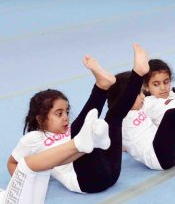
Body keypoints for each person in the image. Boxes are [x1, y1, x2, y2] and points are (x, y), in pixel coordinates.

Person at [8, 51, 145, 194]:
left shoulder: (69, 130)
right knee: (81, 129)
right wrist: (24, 187)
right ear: (40, 119)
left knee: (114, 117)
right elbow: (12, 162)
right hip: (87, 182)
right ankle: (101, 87)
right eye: (59, 113)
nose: (65, 117)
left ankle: (138, 74)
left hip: (112, 171)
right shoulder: (33, 139)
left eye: (67, 112)